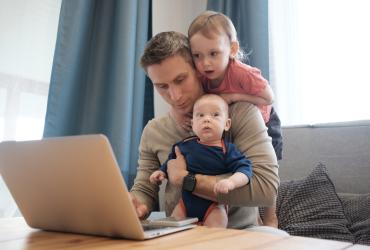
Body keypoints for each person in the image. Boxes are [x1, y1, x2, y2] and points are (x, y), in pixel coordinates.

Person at [130, 31, 280, 232]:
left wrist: (187, 180)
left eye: (180, 79)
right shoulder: (154, 130)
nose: (174, 96)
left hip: (241, 232)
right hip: (181, 235)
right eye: (162, 86)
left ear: (199, 70)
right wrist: (136, 204)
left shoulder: (241, 113)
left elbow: (267, 188)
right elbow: (144, 188)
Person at [187, 10, 282, 227]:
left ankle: (270, 216)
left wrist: (234, 97)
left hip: (265, 120)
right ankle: (253, 216)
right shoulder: (202, 77)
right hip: (234, 124)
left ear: (232, 49)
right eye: (197, 56)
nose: (205, 63)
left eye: (213, 53)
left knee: (263, 167)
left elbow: (269, 96)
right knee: (239, 165)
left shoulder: (242, 73)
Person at [150, 94, 253, 227]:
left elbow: (246, 170)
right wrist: (161, 172)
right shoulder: (185, 145)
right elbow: (172, 162)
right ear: (193, 124)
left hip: (214, 206)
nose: (207, 120)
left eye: (215, 115)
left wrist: (231, 182)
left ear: (227, 124)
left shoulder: (227, 150)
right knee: (173, 230)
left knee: (213, 236)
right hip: (184, 204)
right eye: (200, 115)